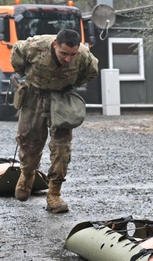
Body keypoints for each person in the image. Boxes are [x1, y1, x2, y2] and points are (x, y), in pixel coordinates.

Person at [10, 29, 98, 213]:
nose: (68, 59)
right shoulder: (35, 47)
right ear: (54, 45)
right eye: (64, 53)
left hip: (61, 97)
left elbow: (91, 71)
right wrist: (26, 76)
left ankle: (54, 194)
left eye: (72, 55)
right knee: (28, 140)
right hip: (34, 94)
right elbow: (16, 54)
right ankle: (27, 175)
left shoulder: (83, 55)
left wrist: (69, 84)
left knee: (61, 147)